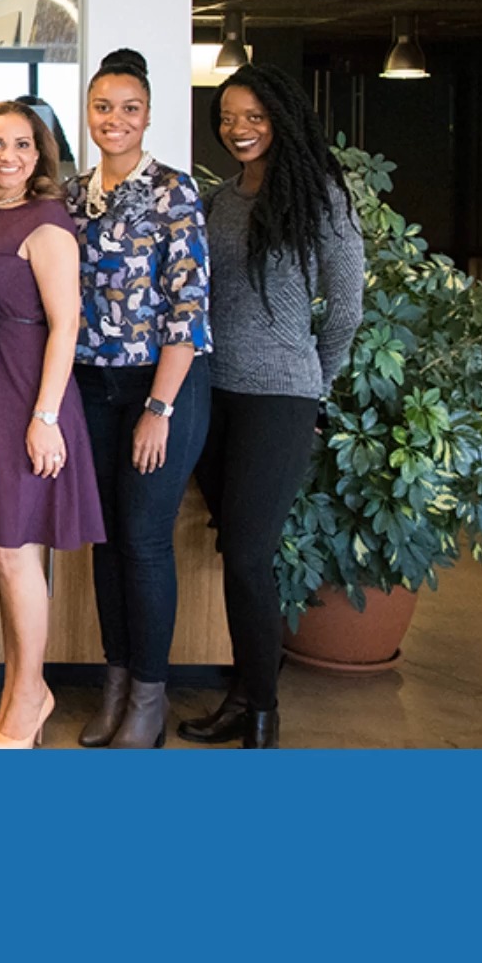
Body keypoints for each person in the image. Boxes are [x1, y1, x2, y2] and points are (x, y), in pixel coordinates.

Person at [182, 64, 362, 750]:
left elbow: (346, 310)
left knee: (251, 553)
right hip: (210, 393)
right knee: (236, 547)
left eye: (254, 116)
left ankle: (260, 708)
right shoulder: (219, 199)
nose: (239, 129)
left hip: (280, 396)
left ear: (282, 118)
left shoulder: (322, 197)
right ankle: (243, 695)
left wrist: (317, 387)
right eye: (229, 116)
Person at [59, 48, 212, 750]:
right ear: (87, 113)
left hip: (161, 385)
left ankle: (150, 698)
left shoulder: (173, 191)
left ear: (148, 115)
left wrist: (159, 408)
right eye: (102, 107)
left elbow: (188, 306)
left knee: (146, 541)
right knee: (107, 541)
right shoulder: (72, 194)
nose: (114, 119)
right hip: (91, 384)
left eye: (128, 108)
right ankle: (115, 684)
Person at [0, 101, 106, 749]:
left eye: (22, 145)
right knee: (4, 554)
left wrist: (45, 417)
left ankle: (28, 699)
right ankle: (23, 692)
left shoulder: (48, 221)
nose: (8, 157)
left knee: (19, 554)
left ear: (40, 154)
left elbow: (65, 324)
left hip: (26, 391)